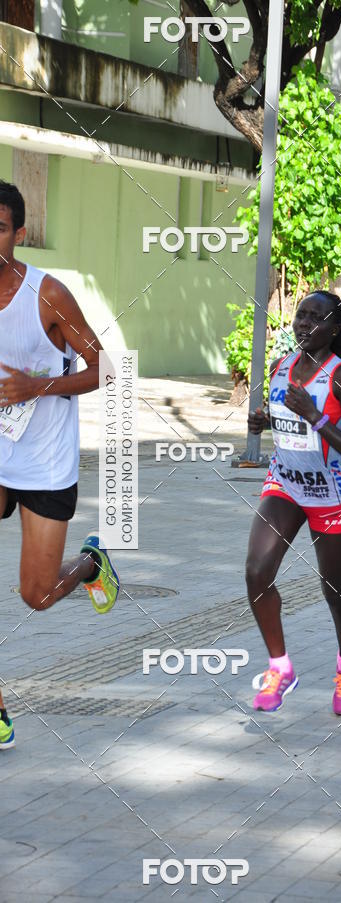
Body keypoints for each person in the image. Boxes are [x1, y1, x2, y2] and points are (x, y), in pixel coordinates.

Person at [0, 181, 119, 750]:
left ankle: (92, 566)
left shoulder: (47, 296)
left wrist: (35, 386)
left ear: (19, 234)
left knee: (36, 595)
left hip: (44, 462)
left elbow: (104, 368)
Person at [246, 290, 341, 715]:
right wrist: (266, 420)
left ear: (334, 329)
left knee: (334, 588)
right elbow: (288, 420)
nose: (304, 323)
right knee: (257, 571)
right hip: (285, 484)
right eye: (301, 314)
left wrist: (315, 416)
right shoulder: (283, 366)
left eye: (316, 318)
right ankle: (280, 669)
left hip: (331, 493)